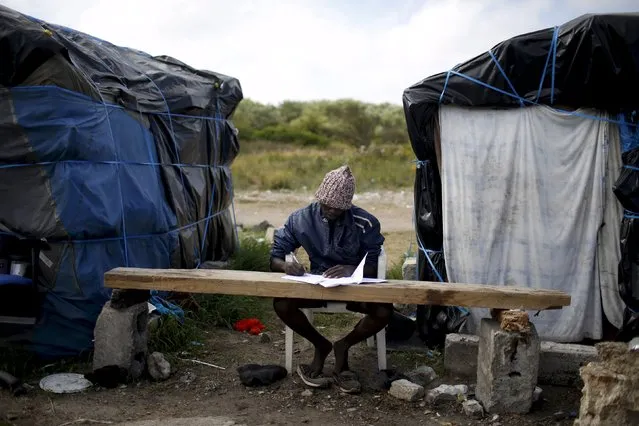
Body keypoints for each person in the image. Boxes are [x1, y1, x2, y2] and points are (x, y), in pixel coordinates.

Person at [270, 165, 392, 394]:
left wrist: (351, 268)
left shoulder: (365, 222)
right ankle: (320, 344)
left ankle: (343, 345)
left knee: (384, 311)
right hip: (317, 283)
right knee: (282, 303)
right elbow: (276, 255)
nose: (331, 211)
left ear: (348, 205)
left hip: (354, 286)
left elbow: (373, 261)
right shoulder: (300, 219)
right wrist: (285, 265)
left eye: (338, 208)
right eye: (326, 205)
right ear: (319, 198)